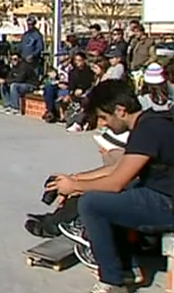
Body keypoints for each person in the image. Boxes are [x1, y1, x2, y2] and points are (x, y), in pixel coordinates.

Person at [48, 79, 174, 293]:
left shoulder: (148, 130)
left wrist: (77, 187)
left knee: (92, 203)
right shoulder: (150, 122)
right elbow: (122, 166)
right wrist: (75, 180)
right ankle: (126, 267)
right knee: (107, 195)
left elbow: (116, 182)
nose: (103, 124)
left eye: (104, 117)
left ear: (120, 110)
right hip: (164, 196)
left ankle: (112, 281)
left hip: (167, 202)